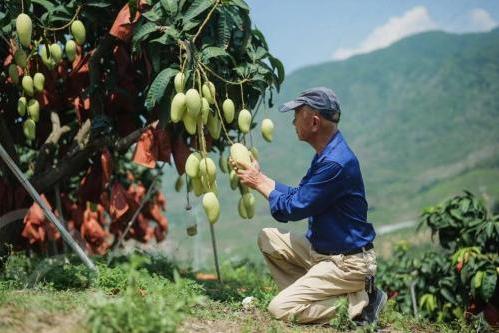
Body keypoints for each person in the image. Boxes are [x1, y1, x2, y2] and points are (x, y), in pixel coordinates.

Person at [232, 87, 387, 326]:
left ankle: (359, 307)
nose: (293, 121)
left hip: (348, 265)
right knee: (268, 238)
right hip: (324, 253)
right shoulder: (327, 153)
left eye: (297, 115)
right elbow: (300, 195)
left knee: (279, 309)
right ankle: (329, 296)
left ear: (314, 122)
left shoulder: (335, 163)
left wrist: (258, 182)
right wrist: (262, 178)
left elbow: (293, 209)